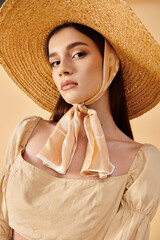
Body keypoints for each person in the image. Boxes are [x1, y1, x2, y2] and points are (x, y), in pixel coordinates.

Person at [0, 0, 160, 239]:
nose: (63, 68)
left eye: (78, 54)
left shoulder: (142, 164)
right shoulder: (28, 132)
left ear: (111, 62)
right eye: (55, 62)